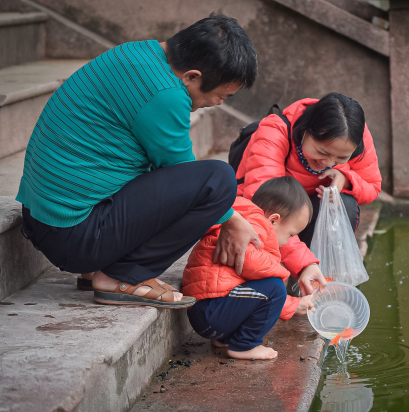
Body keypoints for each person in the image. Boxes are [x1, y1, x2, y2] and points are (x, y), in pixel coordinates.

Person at [16, 14, 260, 308]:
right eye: (222, 95)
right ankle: (122, 275)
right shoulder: (165, 94)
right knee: (218, 181)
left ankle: (102, 264)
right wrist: (232, 219)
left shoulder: (136, 52)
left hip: (46, 219)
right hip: (72, 235)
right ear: (192, 77)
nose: (219, 103)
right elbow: (184, 175)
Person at [235, 93, 382, 295]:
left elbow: (373, 186)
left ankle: (309, 284)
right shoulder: (275, 132)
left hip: (307, 214)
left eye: (341, 157)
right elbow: (264, 206)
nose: (329, 162)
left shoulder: (357, 134)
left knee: (344, 204)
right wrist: (304, 263)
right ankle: (300, 275)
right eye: (322, 152)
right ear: (305, 130)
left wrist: (346, 179)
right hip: (267, 217)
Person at [182, 177, 316, 360]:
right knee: (275, 287)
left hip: (209, 312)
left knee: (270, 287)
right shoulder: (255, 224)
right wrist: (282, 273)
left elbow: (253, 293)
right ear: (274, 220)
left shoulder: (244, 218)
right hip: (210, 310)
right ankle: (245, 345)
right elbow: (246, 259)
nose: (287, 241)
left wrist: (292, 305)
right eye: (291, 234)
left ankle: (225, 339)